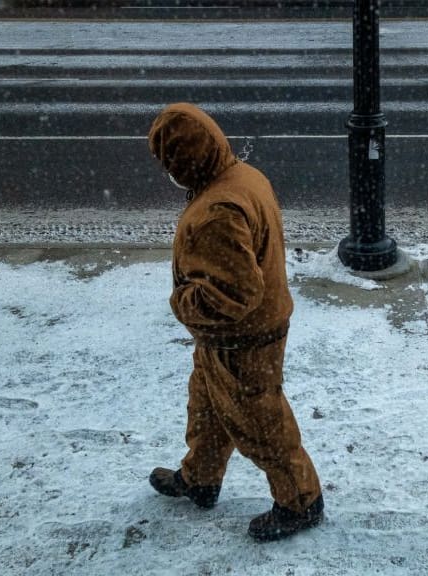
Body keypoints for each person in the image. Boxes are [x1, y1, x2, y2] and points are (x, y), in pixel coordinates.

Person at [147, 103, 323, 542]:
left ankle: (300, 501)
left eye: (169, 162)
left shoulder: (217, 210)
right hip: (232, 338)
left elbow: (233, 296)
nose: (168, 172)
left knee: (261, 423)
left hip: (242, 341)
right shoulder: (242, 176)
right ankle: (200, 479)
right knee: (206, 408)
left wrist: (183, 302)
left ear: (186, 163)